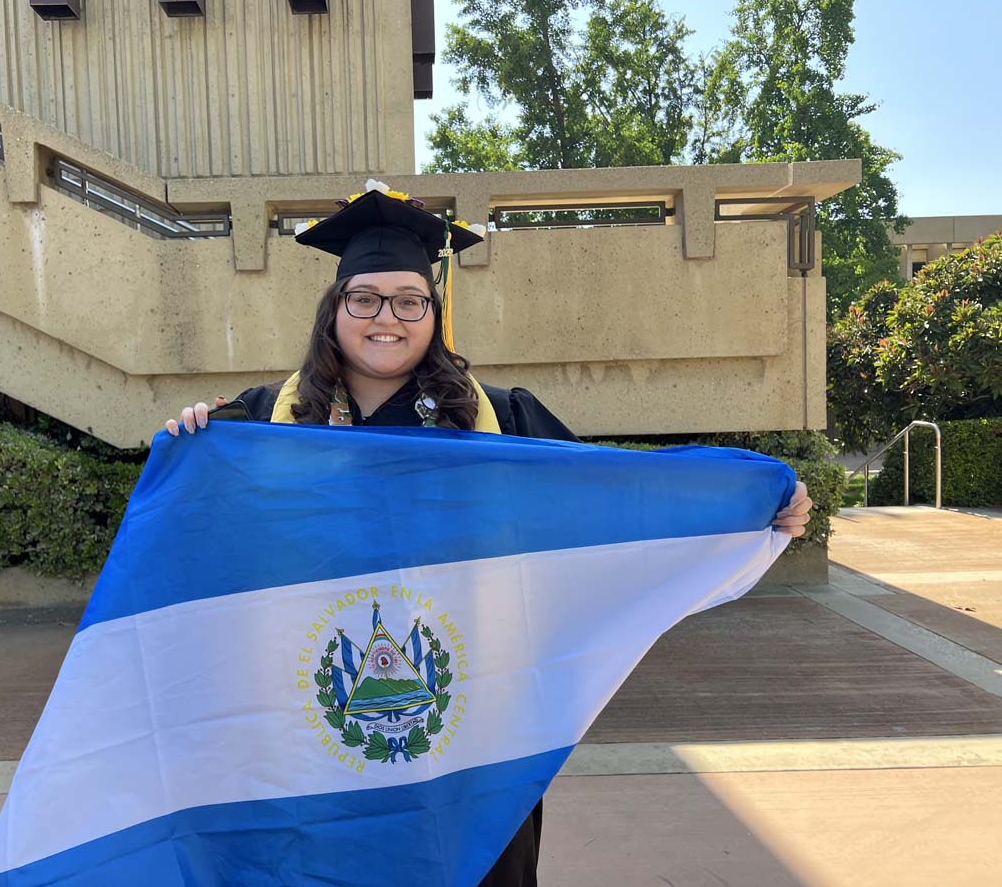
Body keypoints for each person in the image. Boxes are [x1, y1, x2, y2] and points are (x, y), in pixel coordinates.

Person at [165, 182, 813, 886]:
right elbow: (198, 539)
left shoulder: (501, 420)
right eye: (365, 299)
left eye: (410, 300)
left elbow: (613, 501)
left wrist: (748, 507)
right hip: (315, 712)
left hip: (472, 715)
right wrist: (189, 443)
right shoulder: (262, 422)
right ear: (335, 311)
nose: (388, 317)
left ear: (433, 313)